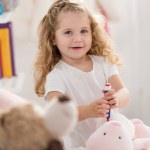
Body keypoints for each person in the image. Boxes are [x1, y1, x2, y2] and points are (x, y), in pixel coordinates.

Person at [34, 0, 129, 149]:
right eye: (68, 32)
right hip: (80, 145)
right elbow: (58, 115)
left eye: (84, 31)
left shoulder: (104, 63)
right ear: (53, 38)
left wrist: (116, 99)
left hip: (112, 140)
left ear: (92, 32)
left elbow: (124, 92)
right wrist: (89, 111)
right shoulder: (57, 76)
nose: (77, 39)